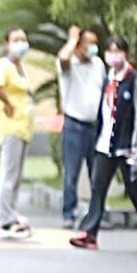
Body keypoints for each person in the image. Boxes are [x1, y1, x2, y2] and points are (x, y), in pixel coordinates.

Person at [68, 36, 137, 251]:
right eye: (110, 51)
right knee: (97, 187)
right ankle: (89, 232)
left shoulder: (135, 80)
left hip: (127, 146)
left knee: (136, 188)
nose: (114, 56)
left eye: (118, 51)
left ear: (126, 53)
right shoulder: (108, 79)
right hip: (105, 144)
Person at [56, 25, 105, 228]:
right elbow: (63, 59)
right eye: (88, 43)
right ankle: (69, 213)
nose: (92, 48)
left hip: (95, 126)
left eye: (95, 43)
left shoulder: (98, 64)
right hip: (74, 125)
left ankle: (96, 214)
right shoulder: (70, 64)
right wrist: (72, 39)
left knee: (97, 173)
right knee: (71, 174)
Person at [0, 28, 34, 238]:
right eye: (16, 40)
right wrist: (7, 103)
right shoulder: (4, 65)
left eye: (23, 39)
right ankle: (6, 219)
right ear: (6, 44)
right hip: (11, 126)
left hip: (24, 127)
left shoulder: (20, 68)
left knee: (16, 176)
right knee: (9, 174)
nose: (21, 43)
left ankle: (12, 213)